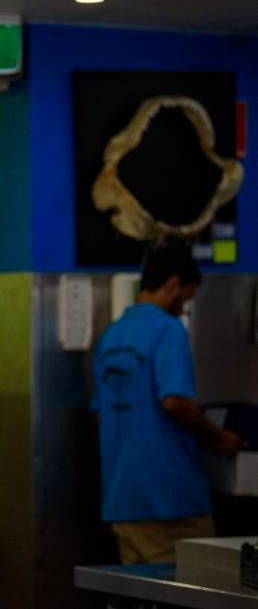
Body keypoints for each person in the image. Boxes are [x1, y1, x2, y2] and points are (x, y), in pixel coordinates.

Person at [91, 241, 243, 564]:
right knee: (192, 586)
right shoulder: (168, 330)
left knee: (138, 589)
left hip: (121, 503)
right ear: (173, 285)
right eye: (185, 300)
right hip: (171, 503)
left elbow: (101, 416)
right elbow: (174, 401)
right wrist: (219, 438)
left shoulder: (111, 336)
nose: (183, 310)